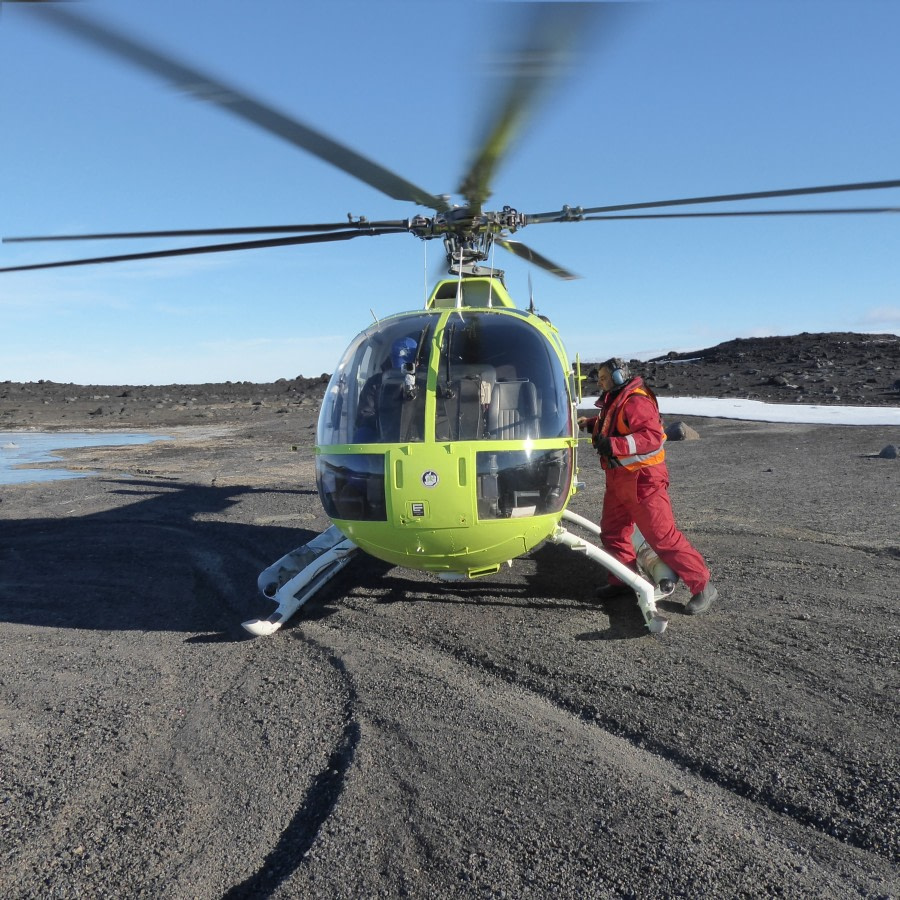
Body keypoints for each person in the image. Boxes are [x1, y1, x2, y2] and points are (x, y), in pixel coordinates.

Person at [577, 357, 718, 615]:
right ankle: (622, 580)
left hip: (643, 480)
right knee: (613, 532)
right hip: (620, 479)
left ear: (619, 376)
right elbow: (613, 425)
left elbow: (652, 437)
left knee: (662, 536)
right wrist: (592, 424)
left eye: (605, 378)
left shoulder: (636, 400)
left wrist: (617, 446)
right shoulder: (616, 399)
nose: (601, 382)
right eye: (600, 378)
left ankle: (703, 585)